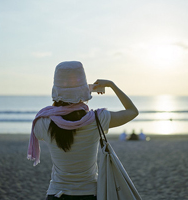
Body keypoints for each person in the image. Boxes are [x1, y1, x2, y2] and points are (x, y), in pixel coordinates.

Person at [27, 61, 139, 200]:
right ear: (85, 89)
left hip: (56, 194)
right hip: (88, 194)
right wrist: (111, 85)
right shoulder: (97, 119)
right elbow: (132, 111)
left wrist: (72, 94)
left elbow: (60, 114)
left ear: (55, 90)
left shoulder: (43, 122)